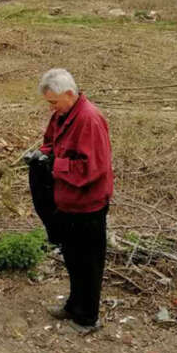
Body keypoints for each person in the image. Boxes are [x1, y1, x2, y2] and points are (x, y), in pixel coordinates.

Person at [26, 68, 113, 335]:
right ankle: (74, 306)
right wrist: (40, 156)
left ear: (69, 94)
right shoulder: (62, 115)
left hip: (88, 205)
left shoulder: (90, 120)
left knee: (88, 263)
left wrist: (55, 165)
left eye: (54, 102)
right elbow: (50, 144)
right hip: (66, 202)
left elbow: (93, 168)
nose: (52, 107)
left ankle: (88, 318)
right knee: (73, 259)